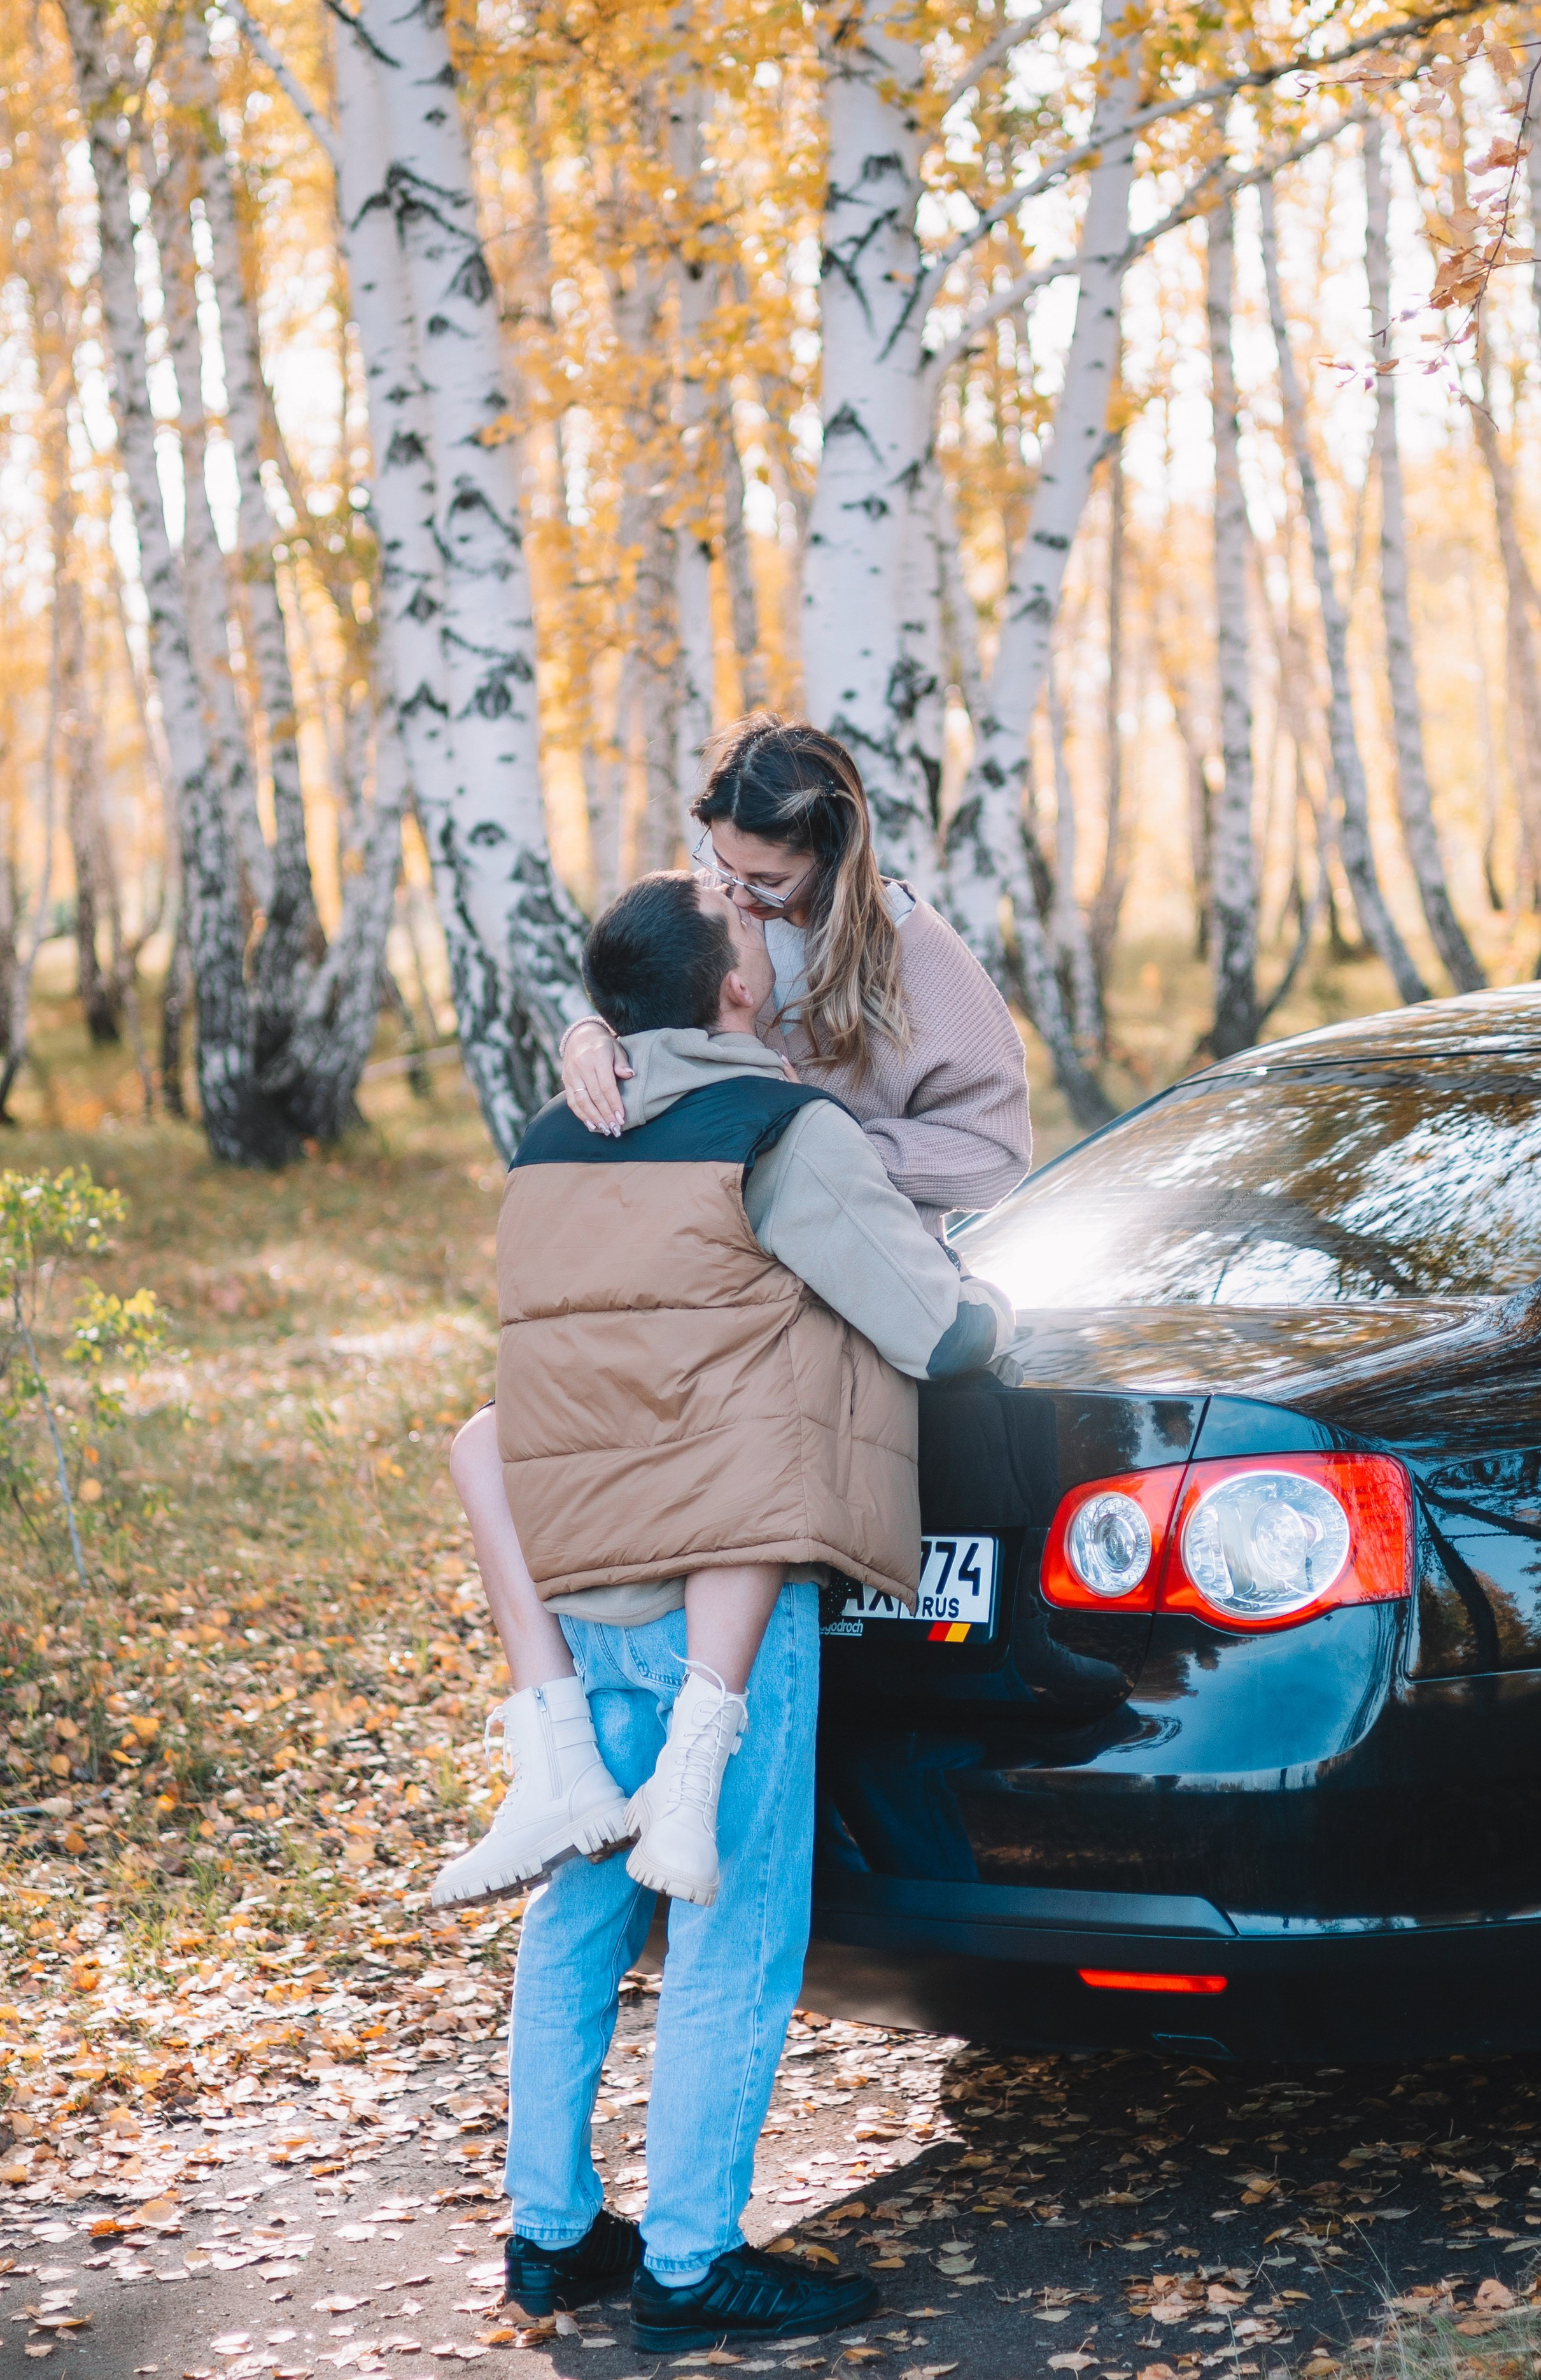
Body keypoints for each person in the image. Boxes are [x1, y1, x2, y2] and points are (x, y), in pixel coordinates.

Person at [486, 868, 1010, 2349]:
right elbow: (933, 1323)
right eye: (752, 939)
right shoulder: (779, 1131)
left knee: (585, 1900)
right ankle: (691, 2260)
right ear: (729, 991)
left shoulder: (547, 1139)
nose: (771, 949)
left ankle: (548, 2232)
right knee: (729, 1916)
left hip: (571, 1566)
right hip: (720, 1576)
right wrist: (997, 1309)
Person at [433, 715, 1031, 1911]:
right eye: (720, 873)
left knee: (725, 1450)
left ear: (834, 852)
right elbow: (655, 987)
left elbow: (996, 1154)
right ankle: (553, 1755)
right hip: (713, 1260)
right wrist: (590, 1033)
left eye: (766, 881)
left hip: (839, 1267)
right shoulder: (717, 914)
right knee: (493, 1439)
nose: (739, 902)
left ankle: (690, 1779)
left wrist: (826, 1154)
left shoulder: (921, 962)